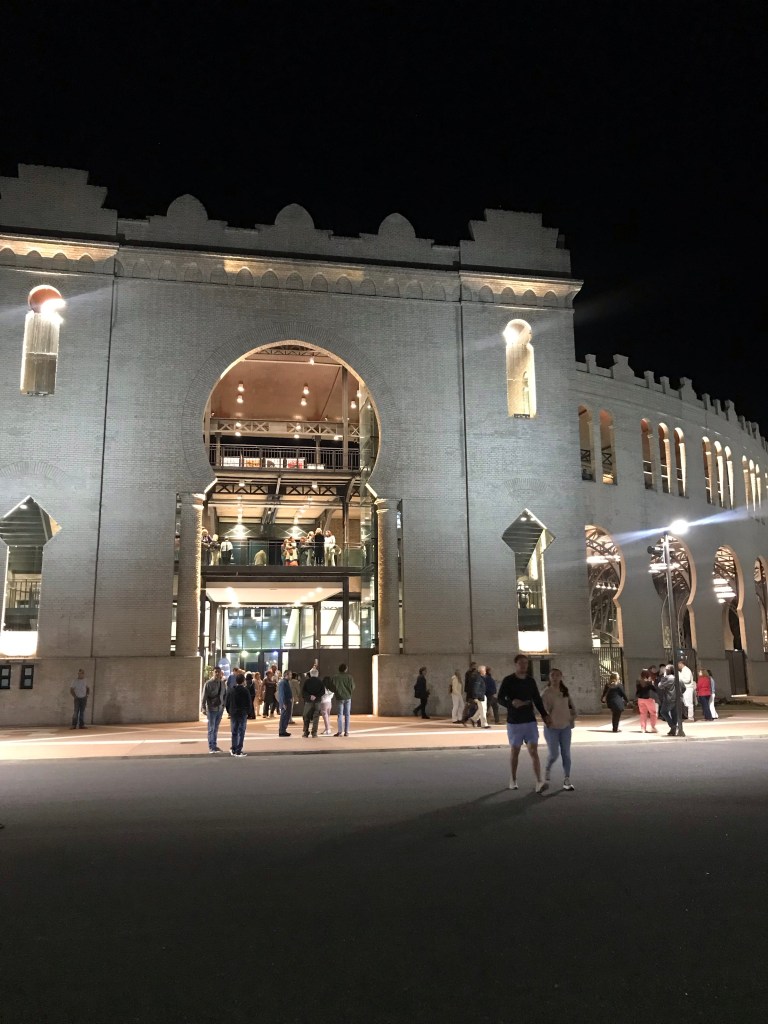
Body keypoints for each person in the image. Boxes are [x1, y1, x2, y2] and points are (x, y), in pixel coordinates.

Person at [498, 654, 550, 792]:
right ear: (515, 664)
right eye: (521, 663)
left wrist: (544, 715)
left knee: (533, 751)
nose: (523, 665)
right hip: (514, 721)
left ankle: (539, 781)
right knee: (515, 751)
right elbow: (500, 698)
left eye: (526, 663)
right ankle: (513, 779)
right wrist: (511, 703)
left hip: (530, 720)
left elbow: (537, 700)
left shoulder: (530, 681)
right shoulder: (508, 680)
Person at [541, 668, 576, 790]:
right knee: (554, 754)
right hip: (552, 727)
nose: (555, 677)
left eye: (557, 675)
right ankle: (547, 770)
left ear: (561, 677)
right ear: (549, 677)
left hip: (565, 727)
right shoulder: (546, 693)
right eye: (552, 675)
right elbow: (542, 710)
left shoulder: (565, 691)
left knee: (566, 753)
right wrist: (547, 719)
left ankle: (567, 779)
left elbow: (572, 707)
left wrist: (572, 717)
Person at [201, 666, 226, 752]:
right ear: (213, 673)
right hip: (211, 709)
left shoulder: (222, 683)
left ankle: (214, 745)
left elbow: (224, 695)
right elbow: (204, 696)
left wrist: (223, 705)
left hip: (220, 709)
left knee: (216, 728)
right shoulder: (208, 683)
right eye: (216, 672)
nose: (217, 673)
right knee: (211, 729)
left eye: (218, 672)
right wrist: (203, 708)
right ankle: (211, 747)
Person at [225, 672, 250, 756]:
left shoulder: (231, 690)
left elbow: (227, 702)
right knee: (241, 731)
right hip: (242, 713)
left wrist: (229, 711)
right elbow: (248, 702)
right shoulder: (245, 690)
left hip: (233, 713)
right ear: (243, 681)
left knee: (234, 731)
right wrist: (248, 712)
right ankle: (239, 750)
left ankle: (234, 748)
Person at [330, 662, 355, 736]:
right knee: (347, 715)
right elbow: (353, 686)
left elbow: (331, 687)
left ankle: (340, 731)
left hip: (339, 698)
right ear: (346, 669)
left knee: (340, 714)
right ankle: (346, 732)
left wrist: (336, 692)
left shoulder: (335, 677)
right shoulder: (349, 677)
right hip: (348, 697)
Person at [302, 669, 325, 737]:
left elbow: (303, 692)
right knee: (316, 717)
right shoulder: (320, 681)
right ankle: (314, 733)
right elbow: (323, 692)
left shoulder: (307, 681)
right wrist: (316, 696)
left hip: (308, 702)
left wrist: (310, 696)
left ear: (311, 674)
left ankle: (306, 732)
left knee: (306, 716)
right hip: (317, 701)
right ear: (317, 674)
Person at [657, 664, 679, 735]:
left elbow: (660, 685)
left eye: (665, 669)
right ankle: (673, 730)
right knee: (674, 714)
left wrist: (663, 676)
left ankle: (673, 726)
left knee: (663, 712)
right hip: (676, 699)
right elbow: (683, 687)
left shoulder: (667, 678)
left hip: (668, 698)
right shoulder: (677, 677)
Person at [277, 671, 292, 737]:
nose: (291, 676)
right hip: (285, 702)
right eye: (290, 675)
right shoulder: (283, 683)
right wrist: (283, 703)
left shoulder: (286, 682)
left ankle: (283, 730)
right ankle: (282, 731)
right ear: (286, 675)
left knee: (286, 716)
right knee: (284, 716)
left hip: (287, 701)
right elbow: (282, 694)